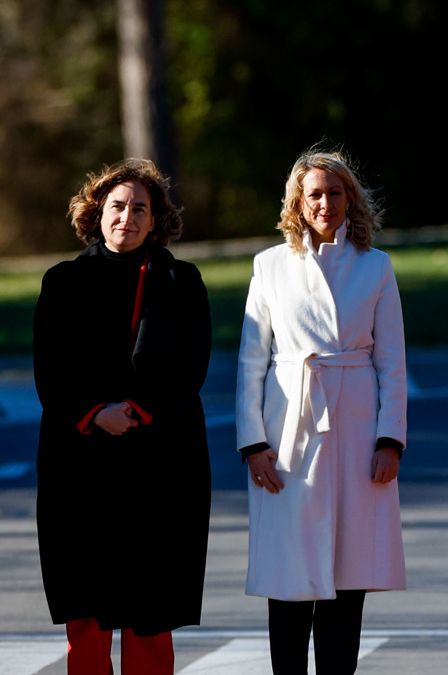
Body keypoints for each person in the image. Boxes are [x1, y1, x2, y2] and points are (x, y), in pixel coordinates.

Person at [34, 158, 212, 674]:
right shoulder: (63, 281)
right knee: (86, 611)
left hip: (159, 462)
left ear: (156, 219)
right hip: (81, 464)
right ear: (97, 212)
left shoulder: (181, 279)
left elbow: (191, 364)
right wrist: (95, 414)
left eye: (140, 208)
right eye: (118, 206)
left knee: (149, 612)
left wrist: (135, 411)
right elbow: (50, 370)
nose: (127, 217)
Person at [235, 149, 408, 675]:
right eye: (315, 194)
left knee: (346, 574)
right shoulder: (269, 265)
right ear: (297, 201)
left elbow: (392, 361)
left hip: (356, 428)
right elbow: (250, 361)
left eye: (335, 193)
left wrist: (389, 439)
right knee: (289, 574)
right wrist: (253, 443)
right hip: (289, 430)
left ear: (350, 199)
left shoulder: (375, 266)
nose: (325, 203)